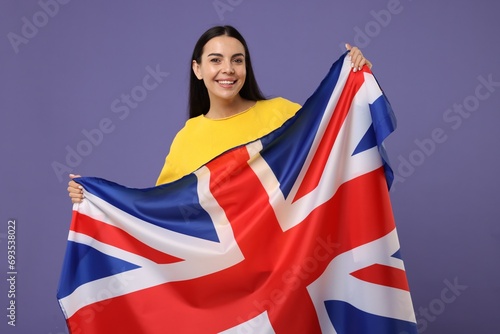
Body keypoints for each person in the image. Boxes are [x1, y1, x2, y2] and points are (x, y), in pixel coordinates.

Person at [68, 25, 371, 203]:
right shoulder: (188, 139)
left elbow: (337, 138)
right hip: (230, 283)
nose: (228, 69)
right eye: (216, 60)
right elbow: (160, 213)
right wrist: (96, 199)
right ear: (197, 69)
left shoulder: (281, 113)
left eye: (237, 60)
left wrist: (353, 81)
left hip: (289, 270)